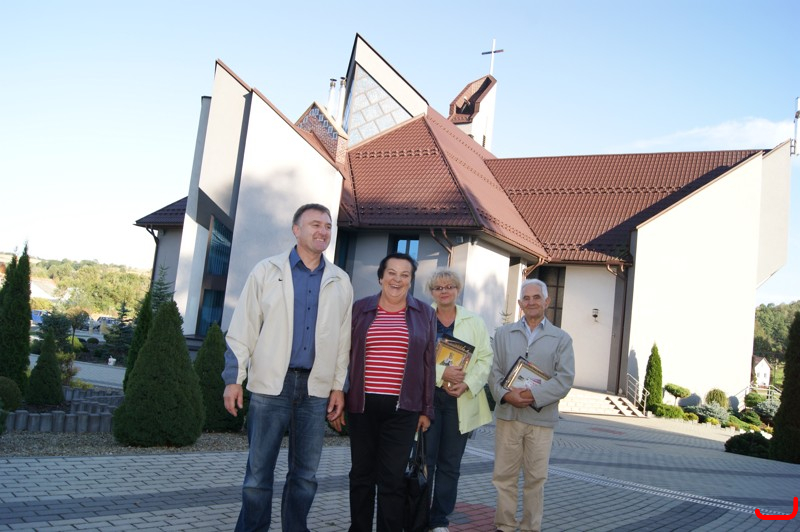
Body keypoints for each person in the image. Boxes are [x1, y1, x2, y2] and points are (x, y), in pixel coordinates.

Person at [222, 203, 353, 532]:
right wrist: (234, 379)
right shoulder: (266, 271)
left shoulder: (340, 281)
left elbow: (343, 341)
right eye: (315, 224)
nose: (323, 231)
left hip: (315, 390)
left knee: (305, 476)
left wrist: (338, 387)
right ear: (296, 230)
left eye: (328, 226)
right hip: (270, 387)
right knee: (258, 475)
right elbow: (243, 327)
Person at [333, 252, 436, 532]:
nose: (397, 280)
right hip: (361, 407)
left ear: (411, 281)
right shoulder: (360, 309)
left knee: (392, 480)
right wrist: (337, 392)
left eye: (405, 275)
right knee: (361, 475)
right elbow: (342, 354)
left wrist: (426, 409)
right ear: (381, 277)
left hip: (403, 410)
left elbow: (429, 365)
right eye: (391, 273)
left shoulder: (425, 314)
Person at [489, 279, 575, 532]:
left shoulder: (561, 338)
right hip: (508, 416)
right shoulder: (503, 334)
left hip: (541, 420)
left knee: (536, 479)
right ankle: (504, 525)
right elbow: (492, 371)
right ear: (520, 303)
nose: (531, 302)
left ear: (547, 301)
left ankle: (530, 527)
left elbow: (565, 379)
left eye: (537, 297)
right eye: (526, 298)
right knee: (503, 476)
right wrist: (505, 395)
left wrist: (532, 395)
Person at [424, 268, 494, 532]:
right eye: (438, 287)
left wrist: (468, 384)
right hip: (428, 400)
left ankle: (439, 520)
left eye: (449, 286)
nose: (444, 291)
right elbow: (413, 357)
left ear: (458, 289)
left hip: (460, 401)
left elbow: (485, 358)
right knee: (425, 462)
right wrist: (441, 374)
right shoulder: (422, 317)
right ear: (431, 292)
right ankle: (418, 516)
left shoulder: (474, 321)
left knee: (450, 465)